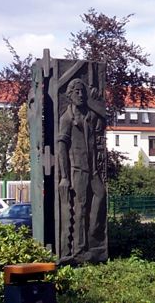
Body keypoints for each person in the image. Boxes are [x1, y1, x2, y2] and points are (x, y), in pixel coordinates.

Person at [57, 77, 107, 263]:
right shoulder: (66, 119)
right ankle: (78, 251)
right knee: (81, 209)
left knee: (101, 195)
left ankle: (94, 235)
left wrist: (97, 98)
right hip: (77, 170)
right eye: (76, 92)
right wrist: (64, 176)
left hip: (93, 169)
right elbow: (62, 148)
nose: (80, 94)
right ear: (69, 95)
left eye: (82, 91)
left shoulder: (89, 115)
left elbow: (103, 118)